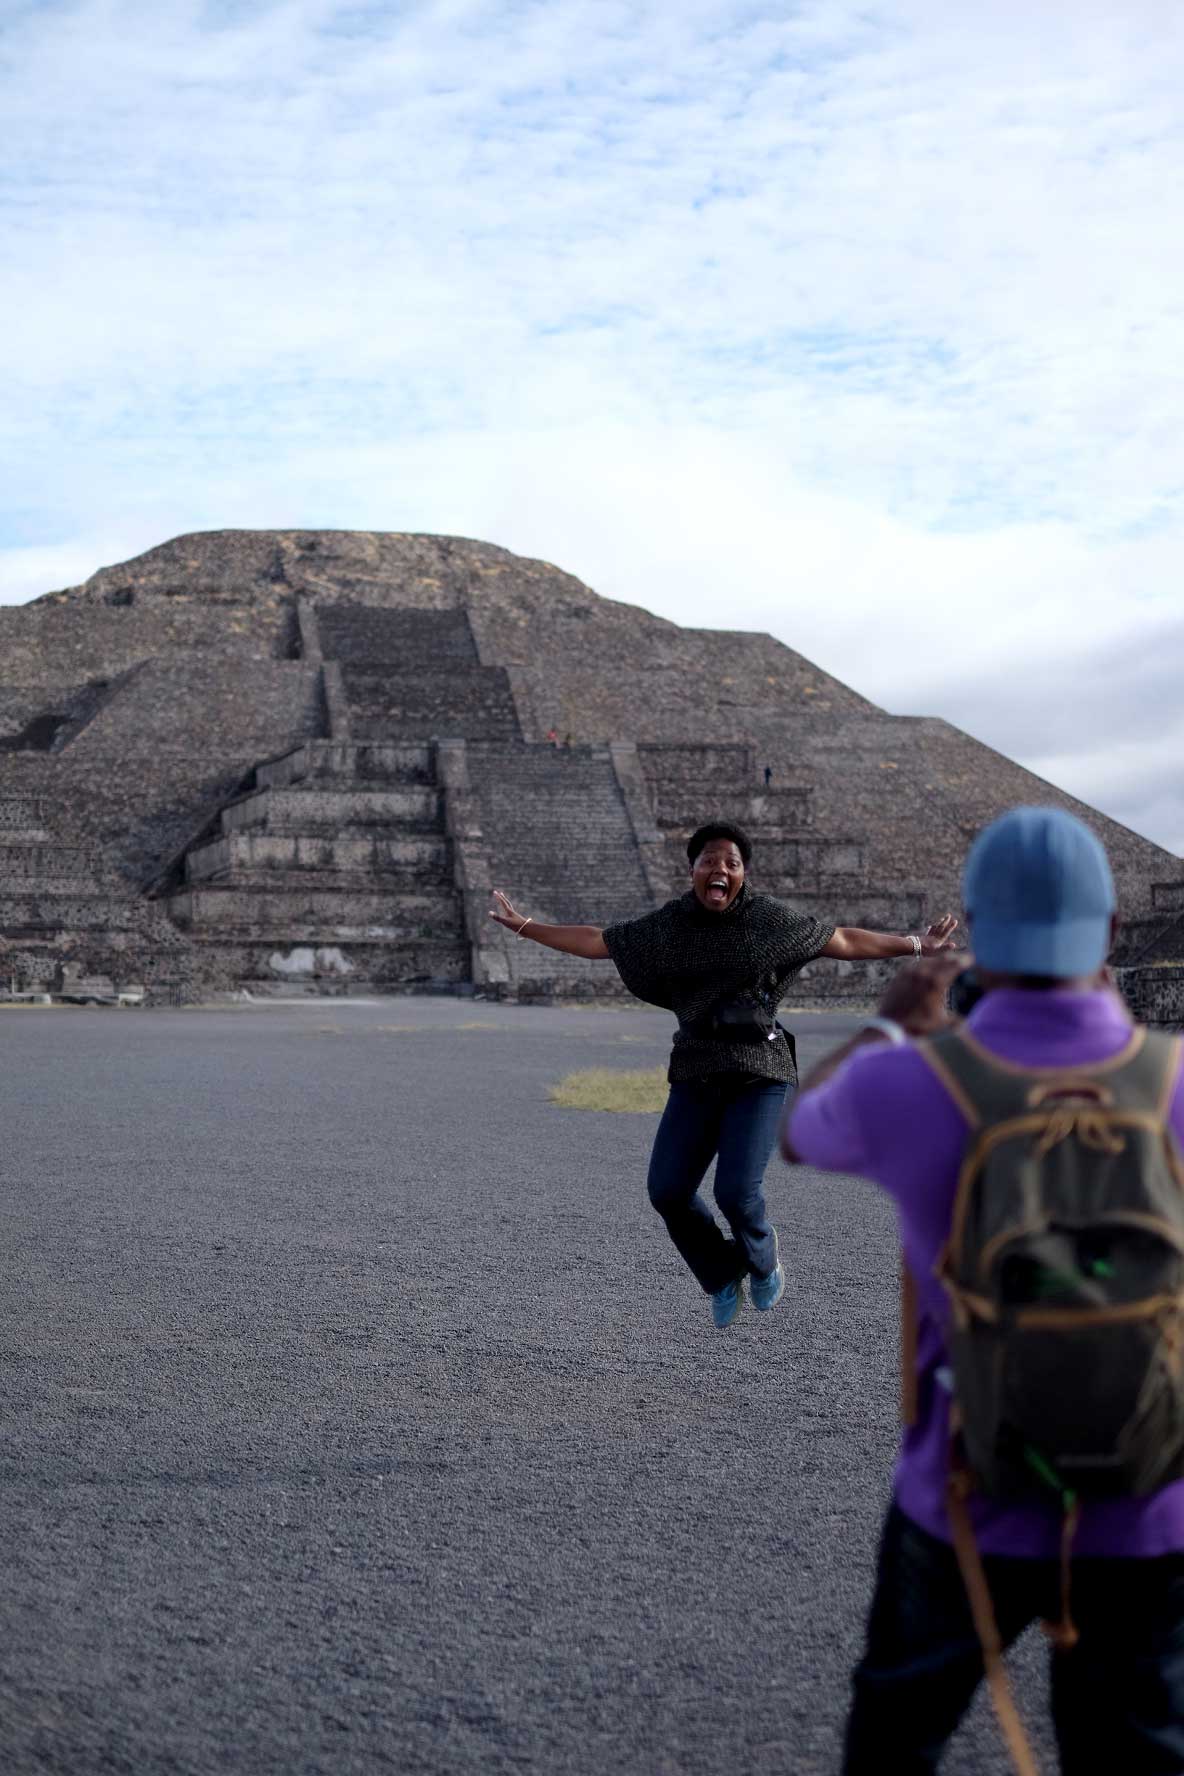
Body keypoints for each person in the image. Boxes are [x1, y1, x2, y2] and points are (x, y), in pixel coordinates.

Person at [783, 807, 1184, 1775]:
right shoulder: (1174, 1079)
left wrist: (892, 1019)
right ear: (1111, 931)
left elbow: (796, 1131)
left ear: (971, 931)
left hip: (963, 1496)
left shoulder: (911, 1082)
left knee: (895, 1737)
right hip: (1150, 1502)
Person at [491, 820, 957, 1327]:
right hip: (697, 1071)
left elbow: (840, 939)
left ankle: (763, 1257)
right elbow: (598, 941)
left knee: (735, 1192)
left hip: (760, 1070)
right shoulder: (669, 927)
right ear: (692, 870)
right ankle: (720, 1274)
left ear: (743, 874)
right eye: (709, 861)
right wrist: (526, 926)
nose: (720, 870)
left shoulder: (769, 920)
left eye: (731, 863)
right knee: (668, 1191)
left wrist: (916, 944)